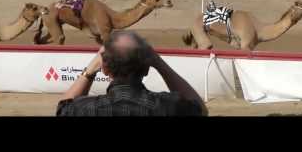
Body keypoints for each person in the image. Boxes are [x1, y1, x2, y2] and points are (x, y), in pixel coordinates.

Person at [56, 31, 207, 116]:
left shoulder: (84, 109)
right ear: (148, 68)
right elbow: (201, 109)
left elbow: (61, 109)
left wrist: (89, 71)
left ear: (105, 69)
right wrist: (160, 64)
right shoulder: (170, 105)